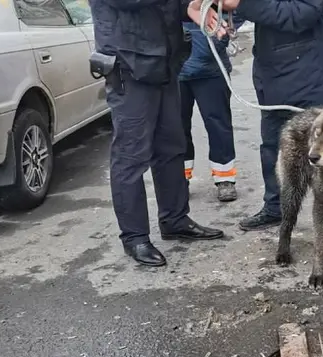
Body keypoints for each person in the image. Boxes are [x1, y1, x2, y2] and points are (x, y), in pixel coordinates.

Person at [89, 0, 228, 267]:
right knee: (131, 157)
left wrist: (192, 5)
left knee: (171, 147)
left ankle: (175, 219)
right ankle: (135, 237)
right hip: (128, 66)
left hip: (164, 62)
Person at [221, 0, 323, 263]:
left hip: (312, 76)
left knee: (322, 160)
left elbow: (300, 14)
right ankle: (276, 206)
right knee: (273, 149)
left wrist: (243, 4)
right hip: (273, 75)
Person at [179, 12, 239, 202]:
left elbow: (236, 8)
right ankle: (180, 179)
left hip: (212, 68)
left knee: (218, 125)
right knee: (176, 128)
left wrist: (223, 33)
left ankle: (225, 178)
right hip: (174, 69)